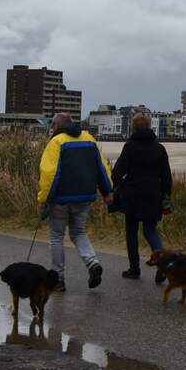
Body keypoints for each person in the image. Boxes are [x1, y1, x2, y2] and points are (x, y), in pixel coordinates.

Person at [37, 112, 113, 291]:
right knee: (79, 232)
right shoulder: (89, 139)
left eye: (52, 126)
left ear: (56, 126)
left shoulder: (56, 142)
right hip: (84, 196)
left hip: (60, 199)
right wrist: (106, 191)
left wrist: (43, 199)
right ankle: (92, 263)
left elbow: (49, 174)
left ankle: (58, 279)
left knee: (57, 237)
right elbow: (101, 168)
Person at [111, 112, 173, 279]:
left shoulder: (130, 146)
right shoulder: (159, 148)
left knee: (131, 231)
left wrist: (119, 185)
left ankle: (134, 268)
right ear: (149, 127)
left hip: (132, 195)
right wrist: (166, 195)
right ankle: (163, 264)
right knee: (150, 229)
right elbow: (166, 177)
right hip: (154, 194)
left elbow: (117, 172)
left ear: (134, 128)